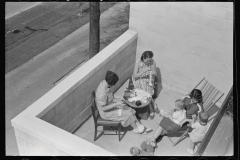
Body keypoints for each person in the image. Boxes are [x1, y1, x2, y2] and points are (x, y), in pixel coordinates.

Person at [132, 51, 160, 119]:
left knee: (145, 89)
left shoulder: (152, 62)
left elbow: (155, 74)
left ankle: (151, 108)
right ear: (143, 57)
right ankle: (152, 106)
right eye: (147, 61)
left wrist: (153, 73)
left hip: (149, 79)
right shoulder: (138, 62)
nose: (148, 62)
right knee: (143, 87)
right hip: (139, 79)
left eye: (149, 61)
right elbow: (135, 76)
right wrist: (144, 70)